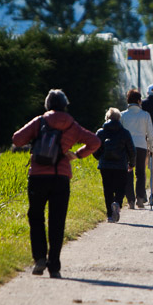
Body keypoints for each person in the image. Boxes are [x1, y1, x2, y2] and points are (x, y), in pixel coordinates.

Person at [12, 89, 100, 279]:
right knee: (57, 221)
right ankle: (55, 266)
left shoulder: (40, 121)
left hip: (38, 176)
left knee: (36, 216)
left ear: (47, 105)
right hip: (61, 177)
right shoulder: (72, 125)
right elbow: (95, 142)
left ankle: (39, 258)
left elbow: (17, 140)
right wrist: (77, 155)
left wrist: (34, 140)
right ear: (65, 105)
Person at [93, 108, 136, 223]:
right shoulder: (125, 133)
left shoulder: (101, 132)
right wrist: (131, 163)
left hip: (105, 166)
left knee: (108, 189)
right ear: (119, 119)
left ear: (107, 118)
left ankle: (110, 215)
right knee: (121, 187)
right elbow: (132, 150)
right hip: (121, 165)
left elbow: (94, 148)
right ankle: (117, 203)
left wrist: (99, 158)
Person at [121, 89, 153, 209]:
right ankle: (140, 198)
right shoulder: (145, 115)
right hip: (141, 146)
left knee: (128, 172)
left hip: (127, 146)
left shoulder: (122, 115)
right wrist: (151, 147)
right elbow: (150, 133)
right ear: (139, 101)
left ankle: (130, 200)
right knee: (140, 172)